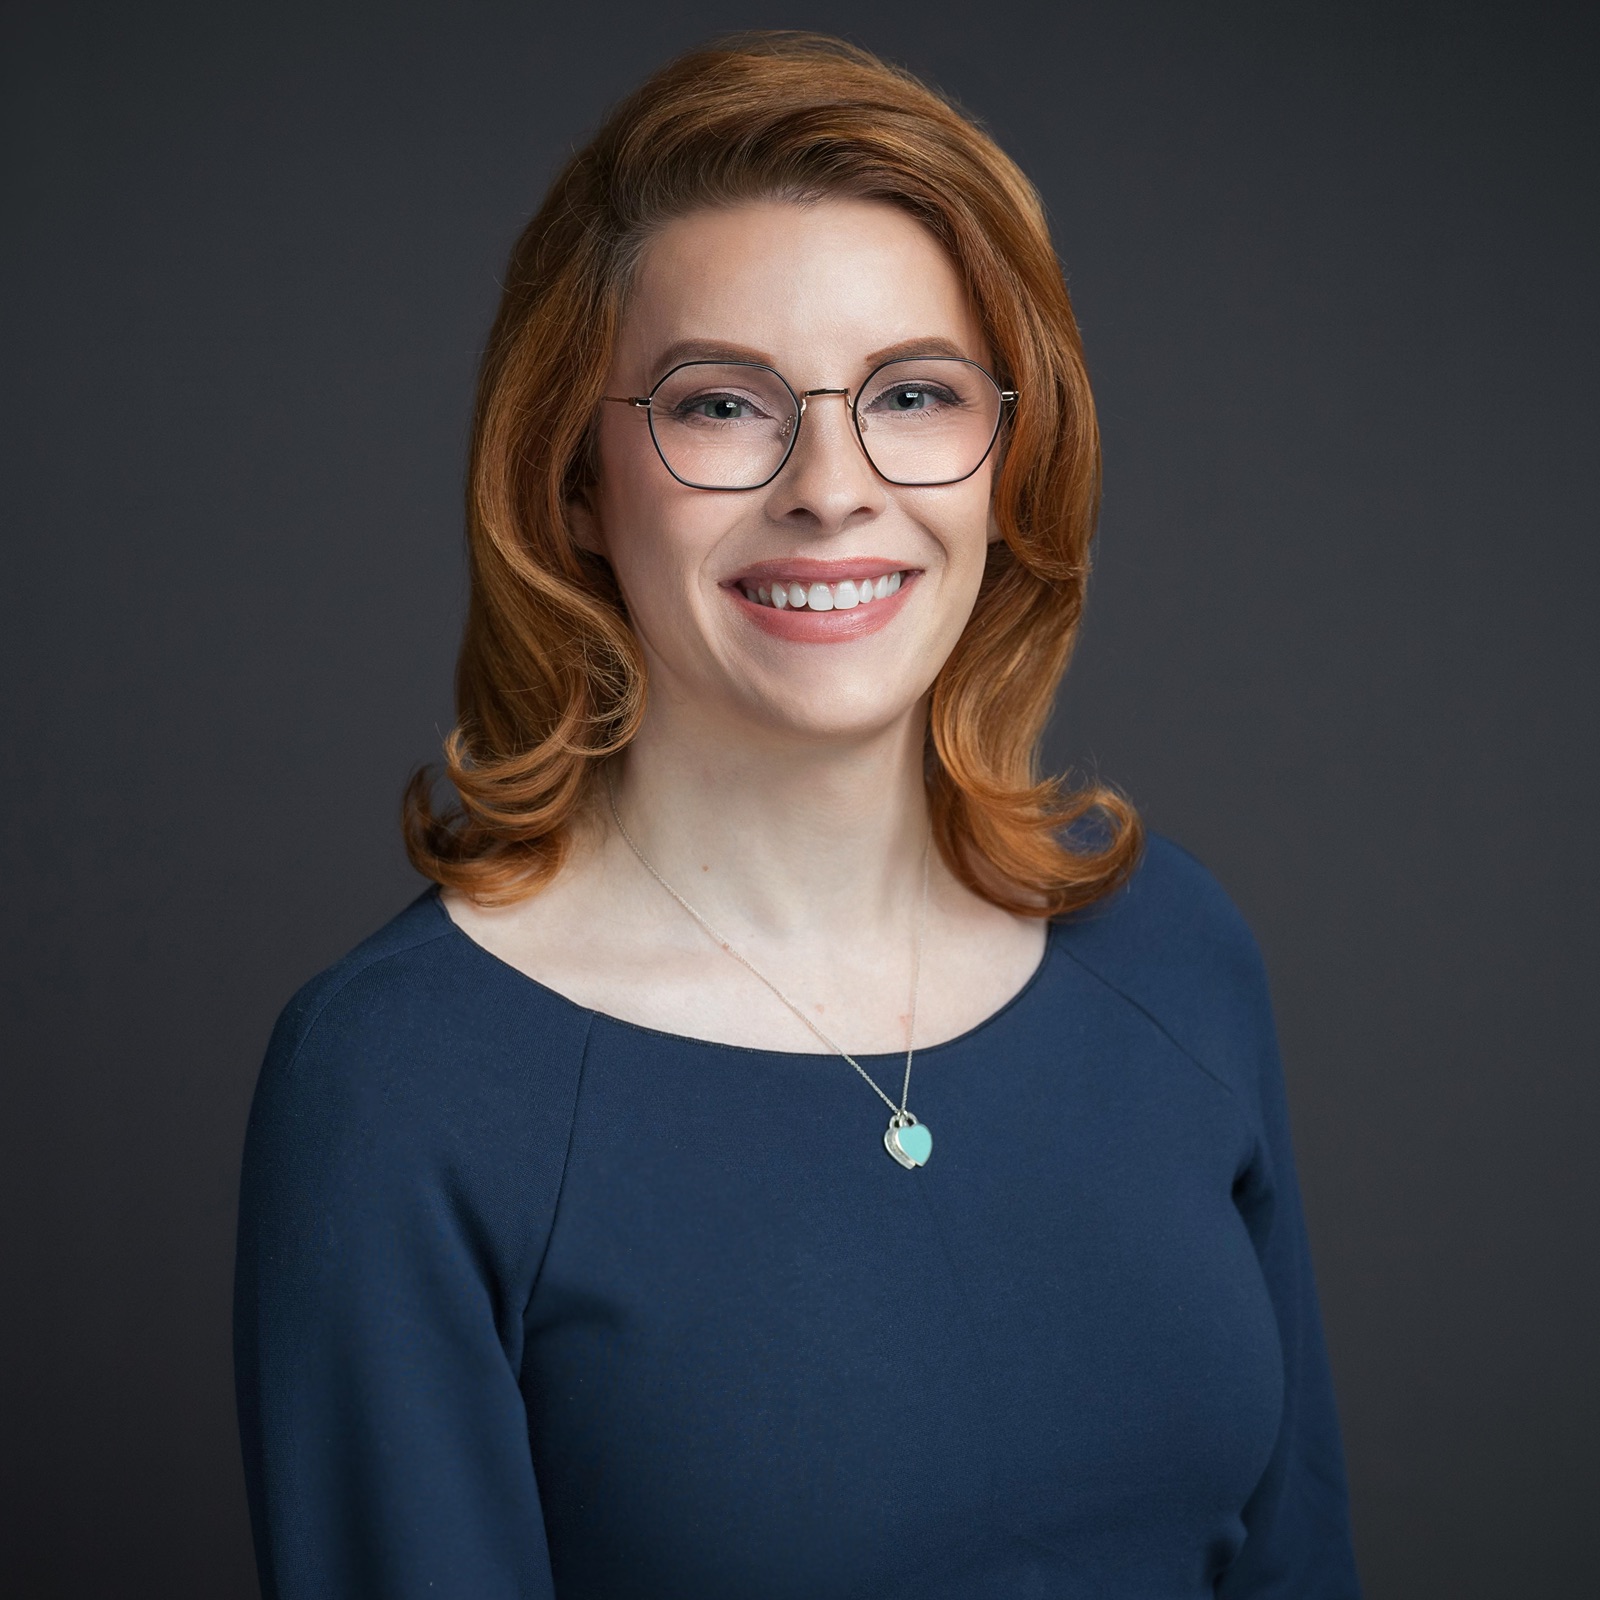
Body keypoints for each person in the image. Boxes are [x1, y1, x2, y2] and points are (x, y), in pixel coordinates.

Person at [234, 32, 1360, 1599]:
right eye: (719, 408)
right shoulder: (406, 1087)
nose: (833, 486)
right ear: (572, 479)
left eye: (912, 393)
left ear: (1007, 452)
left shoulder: (1170, 952)